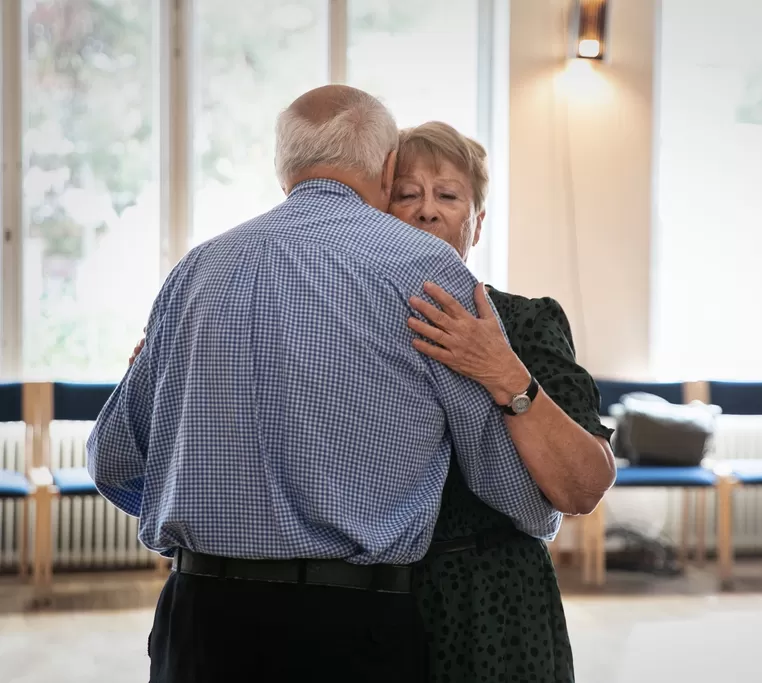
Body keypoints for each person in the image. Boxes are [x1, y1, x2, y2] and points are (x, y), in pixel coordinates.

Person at [87, 86, 561, 683]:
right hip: (350, 621)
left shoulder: (195, 271)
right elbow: (500, 476)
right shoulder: (424, 271)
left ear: (283, 167)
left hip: (199, 616)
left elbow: (113, 458)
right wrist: (540, 514)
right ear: (387, 169)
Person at [391, 122, 616, 682]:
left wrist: (503, 369)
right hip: (378, 600)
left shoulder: (527, 320)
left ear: (477, 221)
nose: (426, 211)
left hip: (497, 600)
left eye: (447, 195)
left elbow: (584, 487)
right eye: (407, 194)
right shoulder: (349, 321)